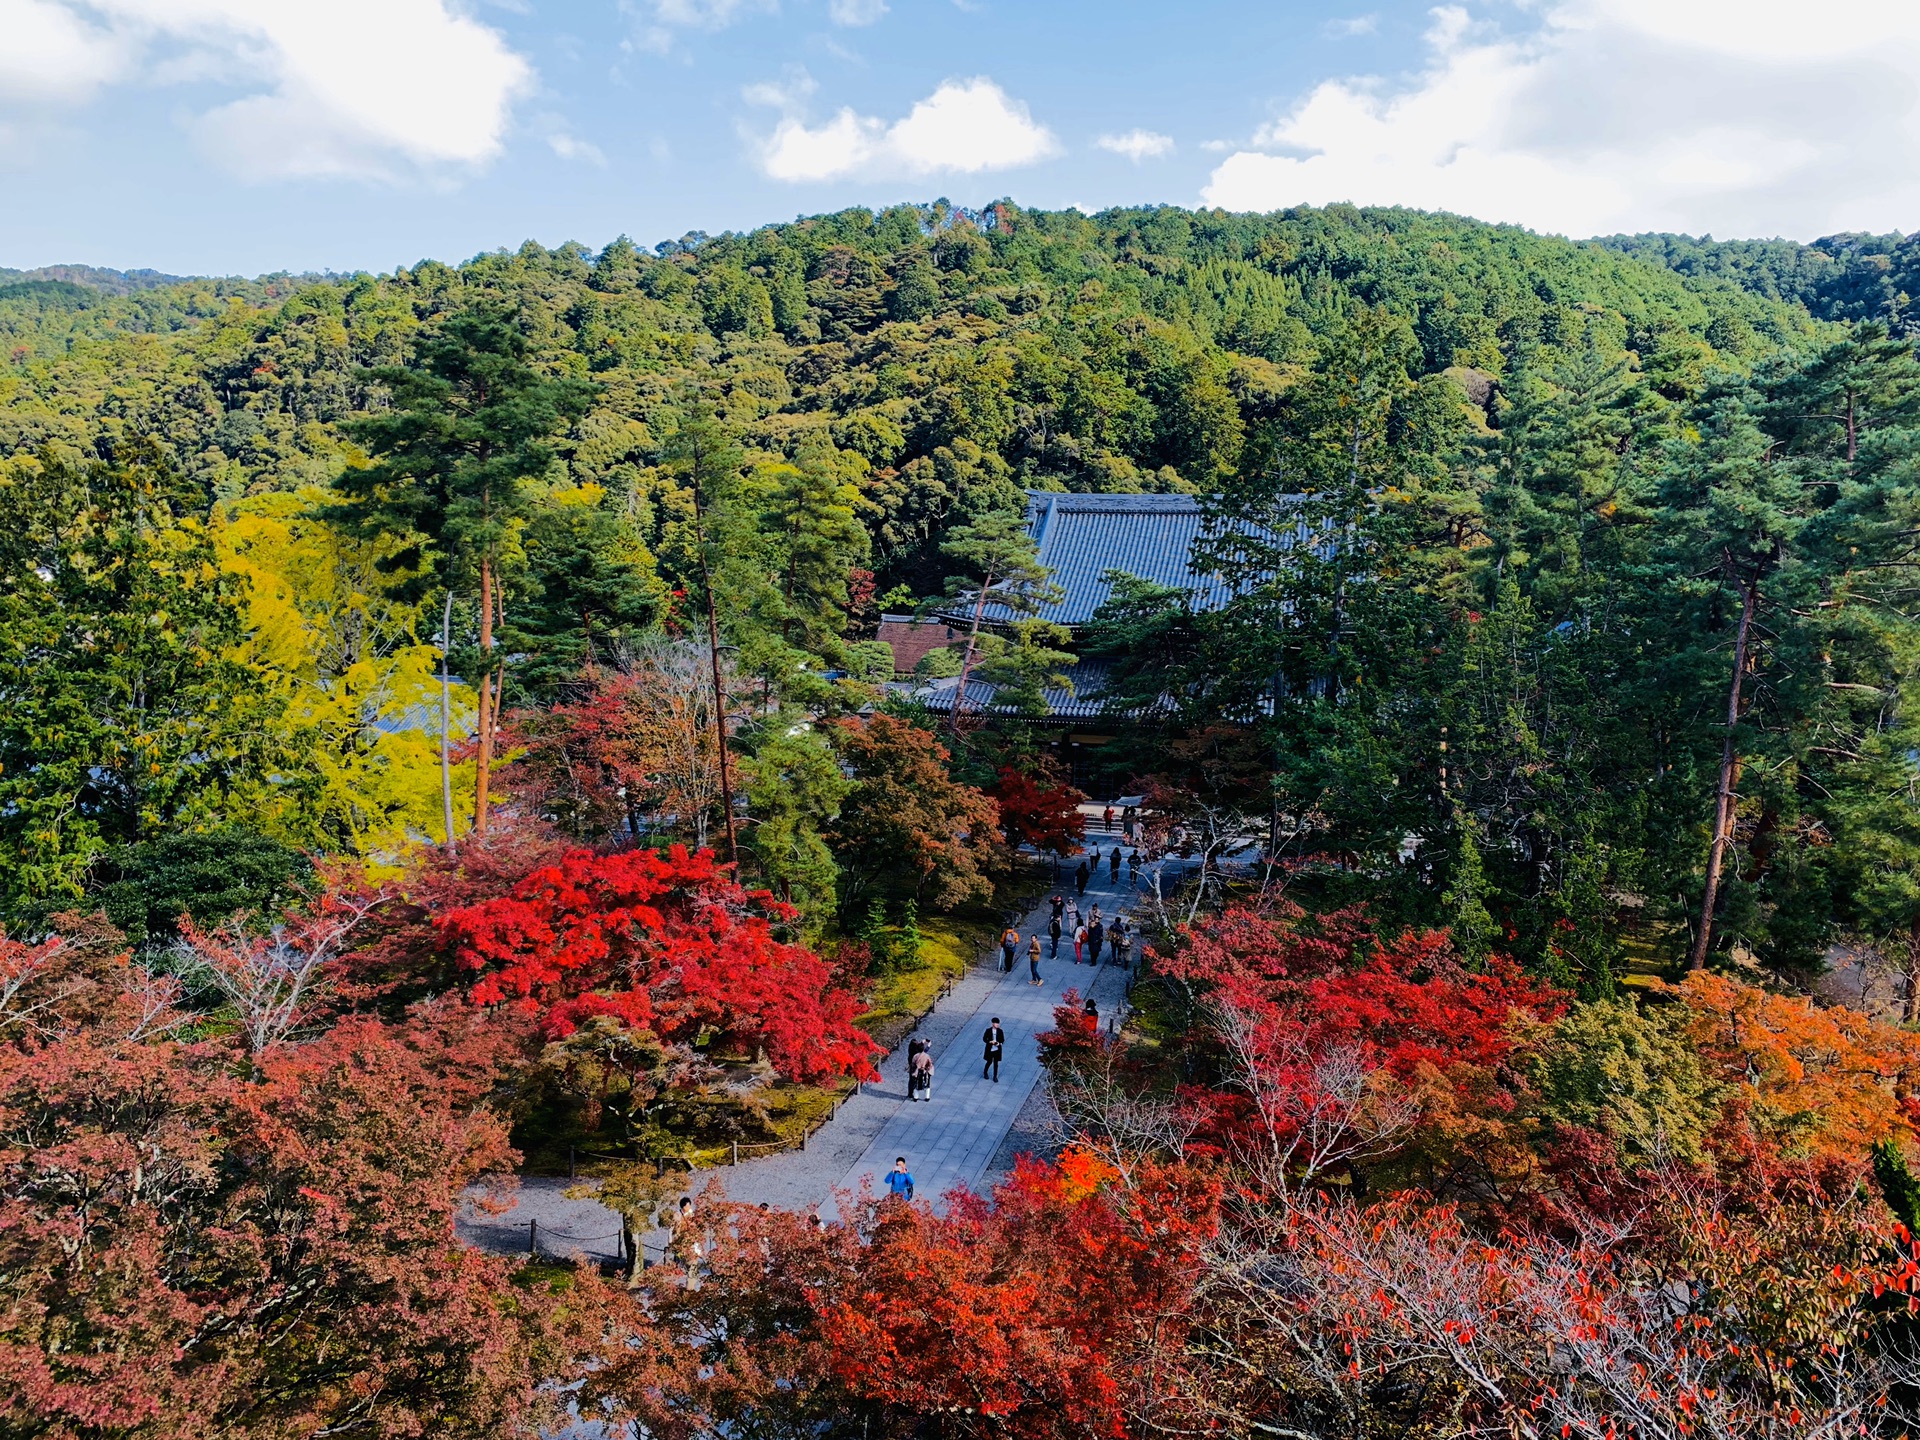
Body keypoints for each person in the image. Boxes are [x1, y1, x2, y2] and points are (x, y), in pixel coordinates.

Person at [982, 1017, 1006, 1081]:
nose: (997, 1025)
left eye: (998, 1024)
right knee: (989, 1061)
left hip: (997, 1049)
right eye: (996, 1024)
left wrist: (999, 1043)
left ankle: (995, 1076)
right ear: (993, 1024)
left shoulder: (1000, 1031)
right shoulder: (988, 1030)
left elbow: (1002, 1040)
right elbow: (984, 1039)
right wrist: (990, 1042)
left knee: (996, 1063)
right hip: (990, 1049)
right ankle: (985, 1072)